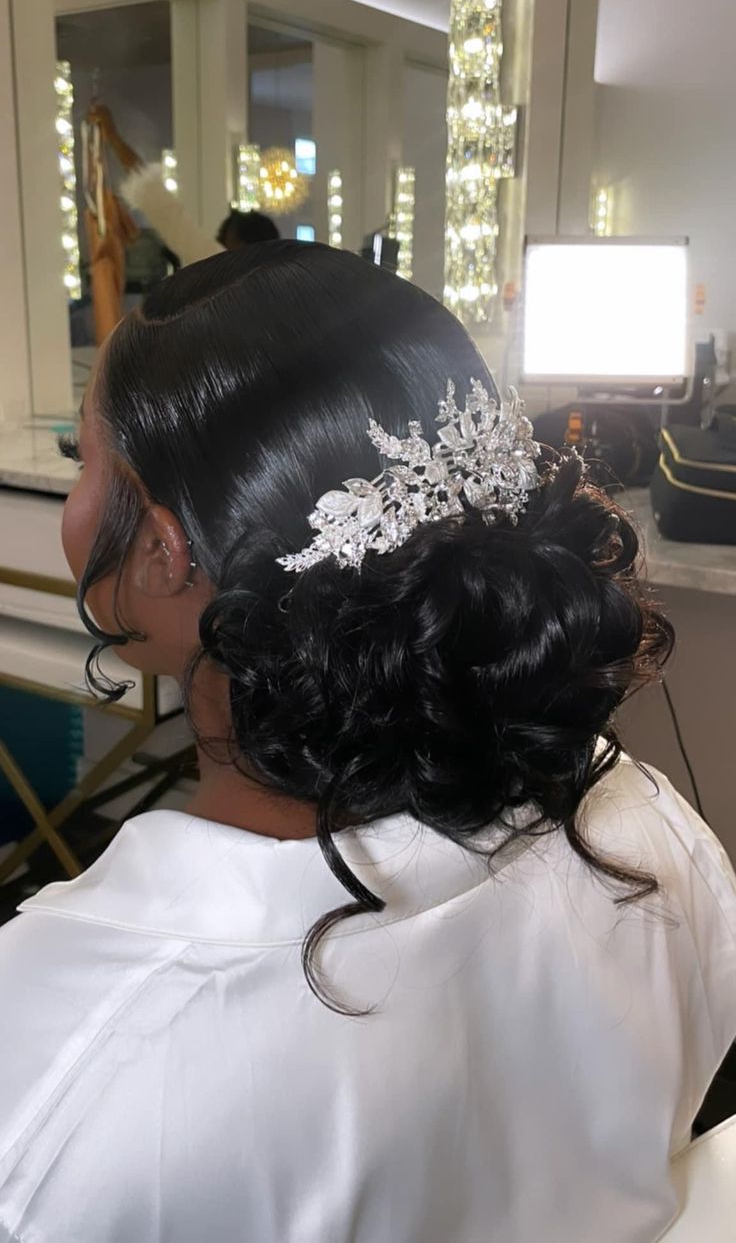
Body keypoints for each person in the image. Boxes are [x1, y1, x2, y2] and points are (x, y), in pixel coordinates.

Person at [0, 243, 734, 1243]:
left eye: (88, 460)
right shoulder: (654, 832)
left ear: (165, 552)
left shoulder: (64, 1059)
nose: (78, 501)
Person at [90, 104, 280, 266]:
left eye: (224, 237)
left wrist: (114, 138)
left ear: (240, 245)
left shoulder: (219, 265)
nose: (217, 237)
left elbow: (161, 205)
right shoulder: (271, 291)